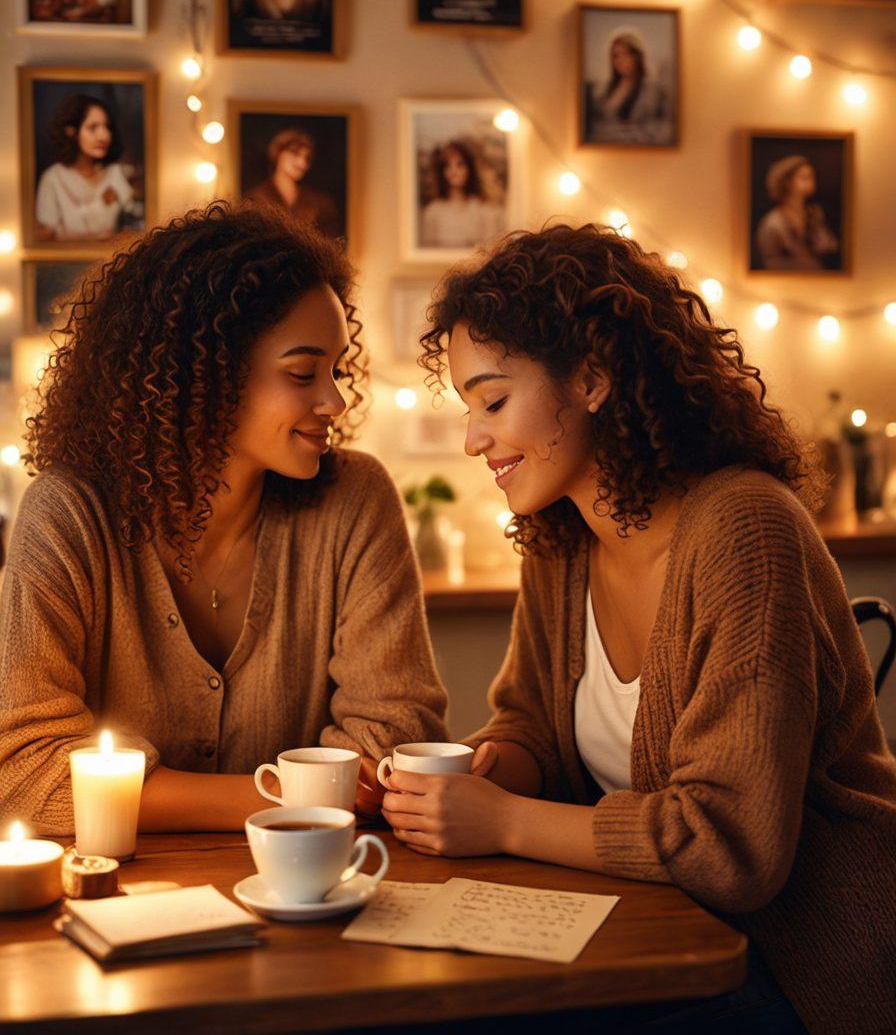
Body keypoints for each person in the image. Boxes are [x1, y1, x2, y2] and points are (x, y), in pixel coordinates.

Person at [383, 224, 896, 1034]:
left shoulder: (745, 531)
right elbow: (534, 729)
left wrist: (502, 820)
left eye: (493, 400)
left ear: (592, 378)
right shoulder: (562, 539)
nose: (475, 438)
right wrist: (481, 772)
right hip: (652, 926)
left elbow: (731, 849)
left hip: (800, 961)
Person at [0, 203, 448, 836]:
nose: (335, 400)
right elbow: (24, 776)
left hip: (316, 894)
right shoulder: (69, 515)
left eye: (336, 370)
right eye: (302, 373)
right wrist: (292, 801)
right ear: (200, 373)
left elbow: (395, 739)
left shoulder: (354, 499)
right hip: (119, 903)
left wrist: (136, 797)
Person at [34, 93, 135, 241]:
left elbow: (132, 225)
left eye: (106, 127)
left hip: (111, 260)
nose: (103, 136)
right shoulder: (53, 178)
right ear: (72, 132)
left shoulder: (115, 174)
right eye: (93, 128)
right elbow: (46, 235)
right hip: (64, 263)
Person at [245, 128, 341, 239]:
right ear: (278, 153)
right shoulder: (255, 197)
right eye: (295, 154)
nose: (302, 163)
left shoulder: (318, 202)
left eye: (307, 158)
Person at [586, 30, 672, 145]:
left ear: (637, 56)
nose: (620, 60)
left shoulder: (654, 90)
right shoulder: (603, 90)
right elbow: (596, 126)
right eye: (615, 56)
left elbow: (663, 129)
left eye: (626, 54)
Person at [755, 155, 840, 272]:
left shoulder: (814, 214)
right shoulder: (773, 221)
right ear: (787, 182)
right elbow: (770, 262)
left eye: (811, 177)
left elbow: (829, 245)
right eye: (804, 178)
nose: (810, 182)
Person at [420, 140, 505, 249]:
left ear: (470, 168)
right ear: (441, 171)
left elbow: (490, 250)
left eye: (460, 165)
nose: (454, 171)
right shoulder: (433, 211)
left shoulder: (485, 209)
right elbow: (427, 253)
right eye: (448, 166)